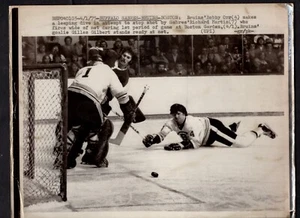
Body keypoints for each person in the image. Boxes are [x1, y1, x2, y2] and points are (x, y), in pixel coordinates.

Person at [58, 47, 137, 169]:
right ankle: (95, 157)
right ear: (110, 62)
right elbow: (122, 96)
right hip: (88, 100)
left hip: (69, 98)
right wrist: (129, 112)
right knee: (105, 126)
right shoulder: (109, 72)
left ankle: (64, 156)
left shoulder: (84, 69)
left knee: (76, 126)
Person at [142, 104, 276, 150]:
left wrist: (181, 145)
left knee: (241, 143)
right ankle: (232, 127)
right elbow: (162, 134)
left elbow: (196, 143)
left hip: (212, 130)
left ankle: (260, 129)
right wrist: (152, 140)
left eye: (179, 113)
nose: (176, 116)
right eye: (174, 114)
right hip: (206, 137)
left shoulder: (190, 123)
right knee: (231, 134)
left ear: (184, 114)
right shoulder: (171, 123)